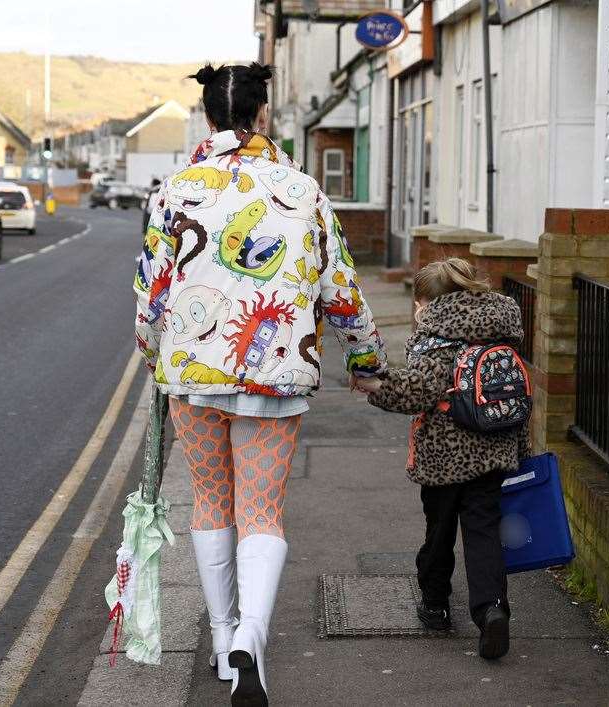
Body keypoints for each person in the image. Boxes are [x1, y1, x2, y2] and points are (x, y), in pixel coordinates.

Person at [134, 62, 386, 706]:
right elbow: (342, 288)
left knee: (211, 502)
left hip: (193, 375)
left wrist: (153, 350)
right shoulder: (302, 192)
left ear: (208, 117)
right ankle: (253, 637)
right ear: (263, 115)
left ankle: (222, 643)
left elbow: (150, 293)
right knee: (262, 513)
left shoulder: (174, 193)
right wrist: (363, 360)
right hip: (274, 376)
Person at [353, 258, 529, 660]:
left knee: (439, 532)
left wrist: (373, 385)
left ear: (430, 303)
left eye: (418, 303)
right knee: (484, 532)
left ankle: (435, 605)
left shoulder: (439, 336)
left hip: (445, 456)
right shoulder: (499, 327)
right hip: (493, 450)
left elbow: (417, 391)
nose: (416, 311)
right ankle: (492, 609)